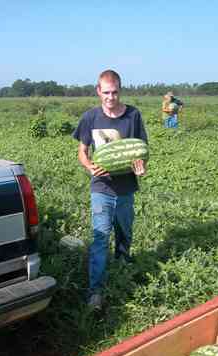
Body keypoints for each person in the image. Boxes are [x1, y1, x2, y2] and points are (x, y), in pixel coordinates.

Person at [72, 69, 148, 311]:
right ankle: (96, 291)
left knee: (124, 235)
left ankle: (123, 272)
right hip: (101, 188)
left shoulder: (133, 116)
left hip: (126, 188)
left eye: (114, 92)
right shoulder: (90, 117)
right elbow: (82, 152)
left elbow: (141, 151)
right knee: (100, 238)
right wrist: (90, 168)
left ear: (120, 90)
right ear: (98, 91)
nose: (110, 97)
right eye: (106, 92)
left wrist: (141, 168)